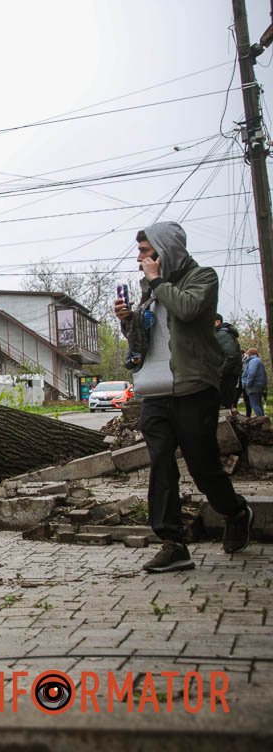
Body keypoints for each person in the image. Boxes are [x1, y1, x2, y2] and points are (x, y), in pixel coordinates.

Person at [114, 222, 252, 574]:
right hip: (155, 390)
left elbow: (189, 310)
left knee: (202, 464)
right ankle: (172, 543)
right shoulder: (148, 290)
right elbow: (144, 340)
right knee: (160, 462)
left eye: (145, 251)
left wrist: (159, 282)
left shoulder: (201, 277)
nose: (140, 258)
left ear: (164, 250)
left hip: (193, 387)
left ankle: (236, 511)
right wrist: (127, 320)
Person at [214, 314, 242, 409]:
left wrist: (219, 372)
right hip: (229, 374)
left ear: (217, 322)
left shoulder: (222, 334)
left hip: (227, 376)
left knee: (224, 406)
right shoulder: (223, 333)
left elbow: (231, 356)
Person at [242, 348, 267, 418]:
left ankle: (261, 420)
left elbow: (252, 373)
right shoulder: (258, 360)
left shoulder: (253, 361)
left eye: (247, 353)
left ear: (250, 354)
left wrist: (247, 384)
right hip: (259, 385)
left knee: (254, 404)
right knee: (258, 404)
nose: (246, 355)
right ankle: (263, 420)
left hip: (254, 386)